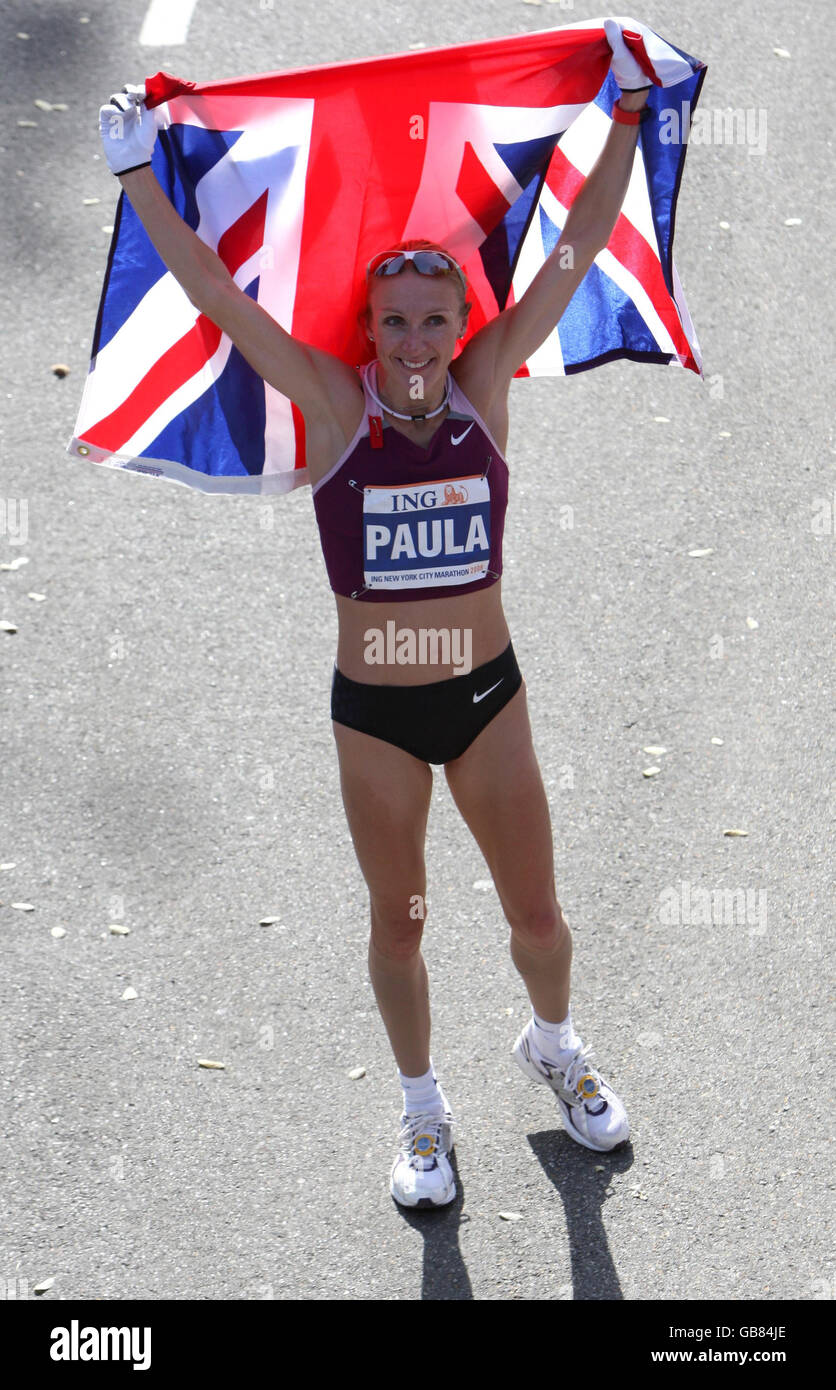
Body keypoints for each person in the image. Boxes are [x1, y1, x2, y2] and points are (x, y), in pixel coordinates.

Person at [99, 66, 653, 1209]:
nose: (413, 341)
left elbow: (572, 249)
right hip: (379, 721)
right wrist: (135, 178)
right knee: (398, 928)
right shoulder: (333, 400)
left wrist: (629, 115)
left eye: (433, 321)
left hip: (485, 700)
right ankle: (421, 1114)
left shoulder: (488, 384)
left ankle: (552, 1043)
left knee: (538, 920)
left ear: (464, 326)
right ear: (368, 327)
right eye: (393, 321)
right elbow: (216, 295)